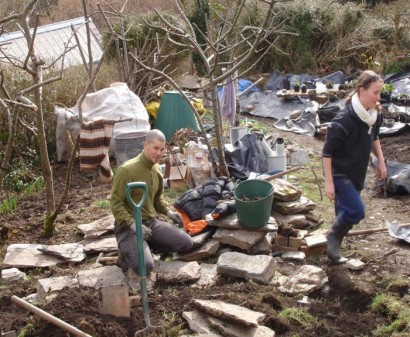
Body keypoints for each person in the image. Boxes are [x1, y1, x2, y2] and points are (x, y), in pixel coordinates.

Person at [322, 70, 387, 264]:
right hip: (340, 173)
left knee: (346, 212)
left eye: (379, 93)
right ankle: (332, 236)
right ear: (361, 90)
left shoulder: (373, 115)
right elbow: (327, 153)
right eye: (375, 93)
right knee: (356, 211)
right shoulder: (345, 119)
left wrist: (381, 161)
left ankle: (333, 254)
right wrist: (329, 182)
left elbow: (374, 138)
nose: (379, 97)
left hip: (357, 173)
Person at [111, 129, 193, 275]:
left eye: (162, 149)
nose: (159, 153)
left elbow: (156, 198)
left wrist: (169, 212)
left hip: (149, 224)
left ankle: (144, 245)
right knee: (146, 267)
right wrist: (133, 224)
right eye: (155, 148)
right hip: (128, 228)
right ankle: (126, 253)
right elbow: (116, 204)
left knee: (186, 243)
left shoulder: (156, 170)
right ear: (145, 145)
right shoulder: (126, 170)